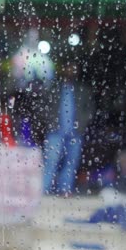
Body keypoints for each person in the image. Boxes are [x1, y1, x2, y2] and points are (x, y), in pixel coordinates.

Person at [42, 61, 94, 195]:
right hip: (55, 131)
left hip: (75, 131)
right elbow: (43, 106)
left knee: (71, 162)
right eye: (68, 68)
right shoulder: (53, 89)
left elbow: (89, 108)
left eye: (73, 68)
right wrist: (49, 122)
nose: (70, 71)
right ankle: (44, 189)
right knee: (51, 160)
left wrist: (82, 123)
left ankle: (64, 188)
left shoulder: (82, 90)